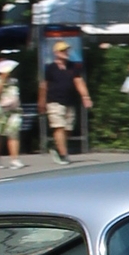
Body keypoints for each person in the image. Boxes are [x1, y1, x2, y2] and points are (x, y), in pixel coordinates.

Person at [41, 31, 92, 162]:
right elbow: (44, 86)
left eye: (67, 50)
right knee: (59, 127)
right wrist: (41, 101)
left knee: (68, 129)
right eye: (63, 50)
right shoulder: (50, 68)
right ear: (56, 53)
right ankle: (64, 155)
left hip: (69, 101)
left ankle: (57, 147)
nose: (66, 52)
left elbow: (79, 82)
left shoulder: (72, 67)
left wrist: (85, 97)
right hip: (54, 101)